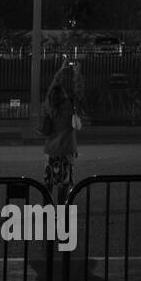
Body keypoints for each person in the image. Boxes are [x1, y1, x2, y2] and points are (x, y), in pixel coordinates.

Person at [42, 62, 84, 199]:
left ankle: (47, 210)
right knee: (64, 183)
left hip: (51, 149)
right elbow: (79, 91)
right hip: (66, 148)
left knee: (49, 181)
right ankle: (61, 212)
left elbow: (52, 87)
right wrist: (76, 72)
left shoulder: (49, 105)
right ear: (64, 94)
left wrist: (60, 70)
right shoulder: (69, 106)